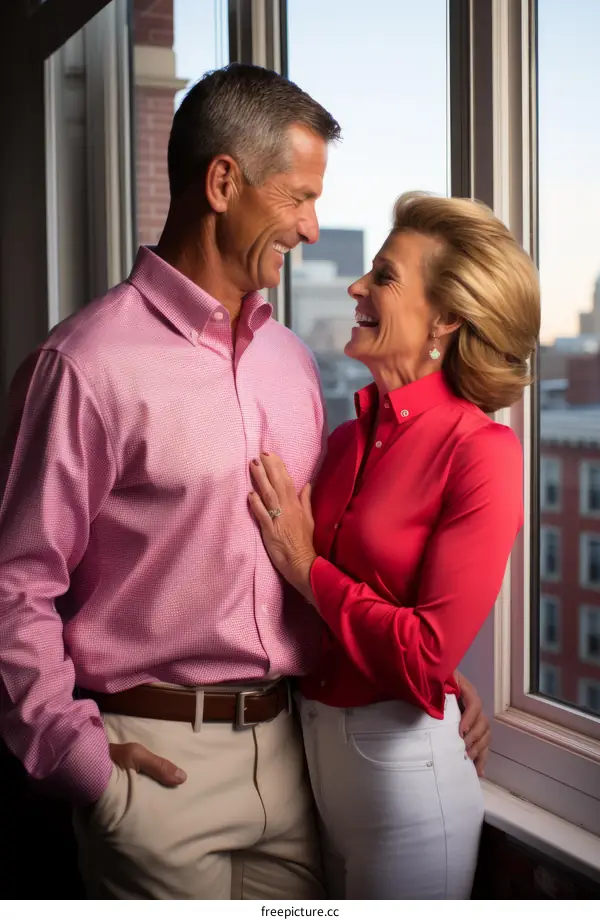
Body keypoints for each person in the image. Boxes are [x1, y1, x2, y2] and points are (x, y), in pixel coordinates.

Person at [0, 66, 488, 900]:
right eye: (297, 197)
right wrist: (81, 764)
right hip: (157, 774)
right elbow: (17, 585)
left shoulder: (291, 362)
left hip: (294, 762)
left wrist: (412, 663)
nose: (311, 226)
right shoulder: (83, 365)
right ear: (223, 182)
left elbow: (314, 556)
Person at [248, 191, 541, 900]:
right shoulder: (343, 443)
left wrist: (305, 568)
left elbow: (423, 652)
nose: (356, 286)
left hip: (408, 794)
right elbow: (393, 636)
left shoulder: (483, 452)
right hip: (310, 771)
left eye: (383, 277)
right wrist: (438, 676)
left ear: (445, 317)